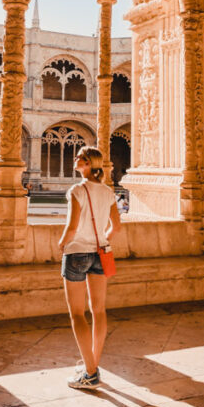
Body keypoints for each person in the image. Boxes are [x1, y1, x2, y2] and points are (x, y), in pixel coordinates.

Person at [57, 146, 122, 390]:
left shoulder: (77, 190)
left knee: (77, 314)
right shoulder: (108, 191)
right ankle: (91, 364)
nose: (75, 159)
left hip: (77, 253)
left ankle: (91, 373)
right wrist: (101, 240)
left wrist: (62, 244)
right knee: (99, 311)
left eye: (80, 157)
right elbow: (116, 227)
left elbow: (72, 227)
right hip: (101, 253)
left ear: (88, 164)